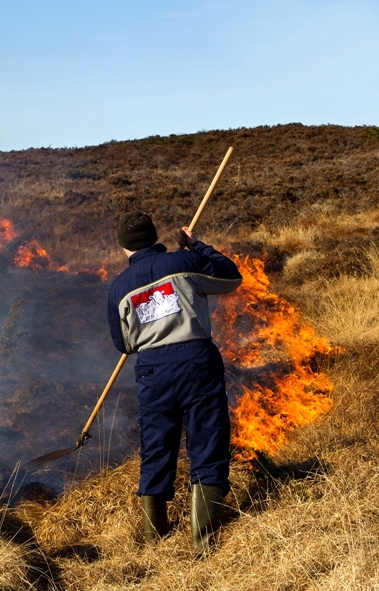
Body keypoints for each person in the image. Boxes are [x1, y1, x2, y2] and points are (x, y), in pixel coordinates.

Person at [106, 211, 242, 555]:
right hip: (196, 361)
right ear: (154, 237)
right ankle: (203, 544)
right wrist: (199, 246)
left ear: (124, 247)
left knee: (156, 448)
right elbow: (230, 278)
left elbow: (124, 344)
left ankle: (155, 541)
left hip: (152, 372)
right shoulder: (184, 261)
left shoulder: (119, 288)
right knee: (207, 443)